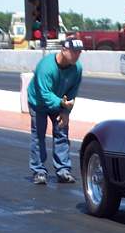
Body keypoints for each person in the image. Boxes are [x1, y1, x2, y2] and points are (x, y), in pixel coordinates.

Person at [27, 38, 84, 185]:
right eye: (73, 52)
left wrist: (66, 112)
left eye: (79, 52)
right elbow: (44, 94)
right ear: (63, 50)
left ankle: (63, 170)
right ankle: (39, 171)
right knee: (38, 135)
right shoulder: (46, 67)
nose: (77, 55)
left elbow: (72, 92)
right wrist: (61, 103)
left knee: (62, 134)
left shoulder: (77, 68)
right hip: (38, 102)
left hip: (59, 102)